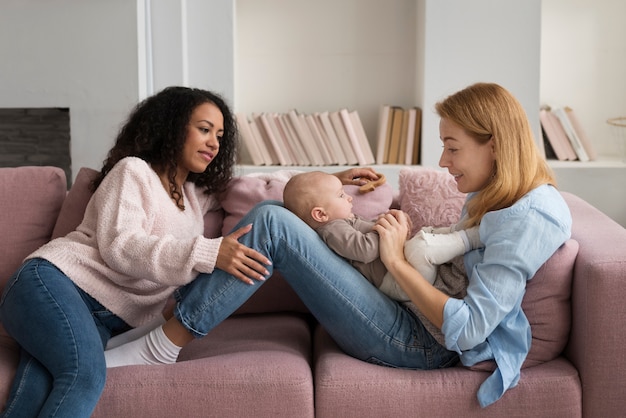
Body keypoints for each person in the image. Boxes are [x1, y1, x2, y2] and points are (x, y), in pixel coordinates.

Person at [102, 82, 572, 408]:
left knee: (272, 222)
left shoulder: (527, 219)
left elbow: (467, 330)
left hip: (420, 342)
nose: (443, 161)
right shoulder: (502, 198)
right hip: (404, 312)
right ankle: (167, 329)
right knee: (275, 218)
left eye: (452, 146)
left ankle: (164, 344)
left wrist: (395, 260)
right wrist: (334, 183)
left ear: (494, 145)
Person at [0, 86, 276, 417]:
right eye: (204, 129)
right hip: (52, 284)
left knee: (35, 389)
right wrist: (207, 253)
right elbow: (122, 246)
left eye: (219, 135)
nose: (215, 143)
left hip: (100, 319)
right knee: (85, 377)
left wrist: (329, 182)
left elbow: (253, 188)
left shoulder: (193, 198)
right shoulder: (133, 172)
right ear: (172, 127)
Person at [281, 170, 482, 301]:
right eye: (341, 195)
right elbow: (365, 250)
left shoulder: (344, 220)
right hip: (395, 283)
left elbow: (373, 231)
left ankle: (459, 232)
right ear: (320, 214)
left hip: (401, 271)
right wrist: (389, 230)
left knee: (425, 234)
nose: (349, 197)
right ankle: (473, 238)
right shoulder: (332, 229)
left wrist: (391, 224)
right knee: (423, 247)